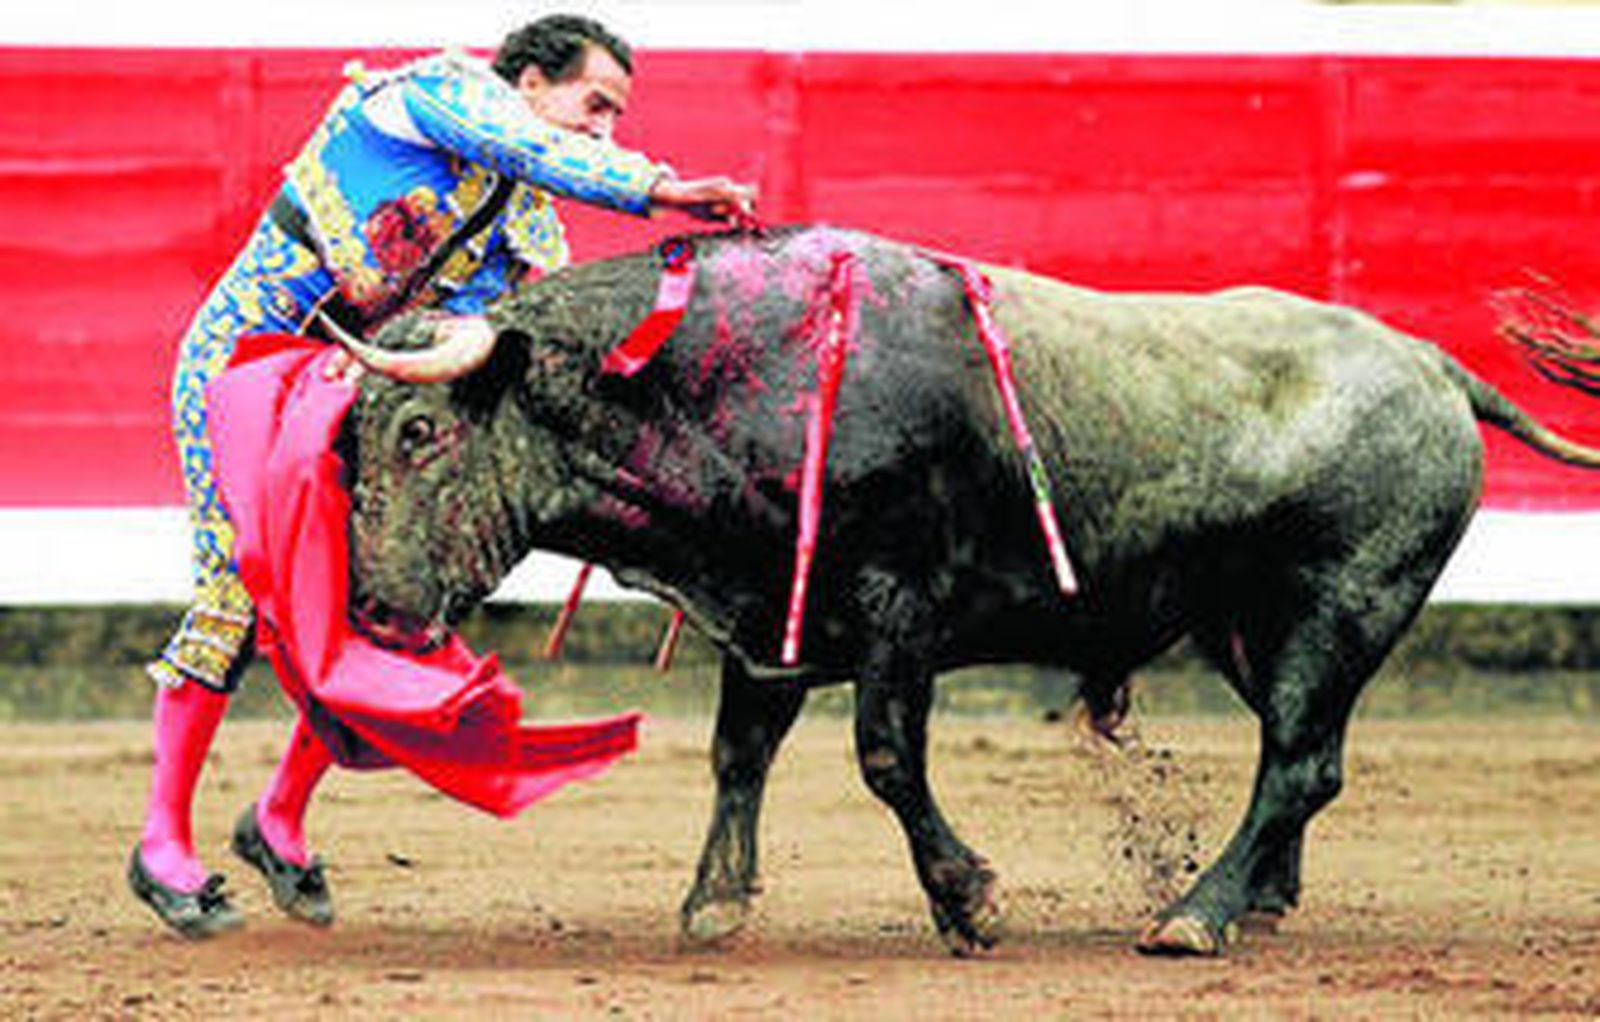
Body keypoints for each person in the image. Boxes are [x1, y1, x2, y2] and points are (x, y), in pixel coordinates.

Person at [128, 13, 757, 939]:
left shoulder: (527, 222)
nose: (604, 130)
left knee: (377, 605)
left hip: (346, 394)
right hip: (241, 367)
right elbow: (529, 148)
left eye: (617, 118)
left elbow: (515, 328)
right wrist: (661, 188)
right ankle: (160, 844)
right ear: (530, 82)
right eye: (594, 105)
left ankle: (278, 817)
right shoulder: (435, 93)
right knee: (234, 594)